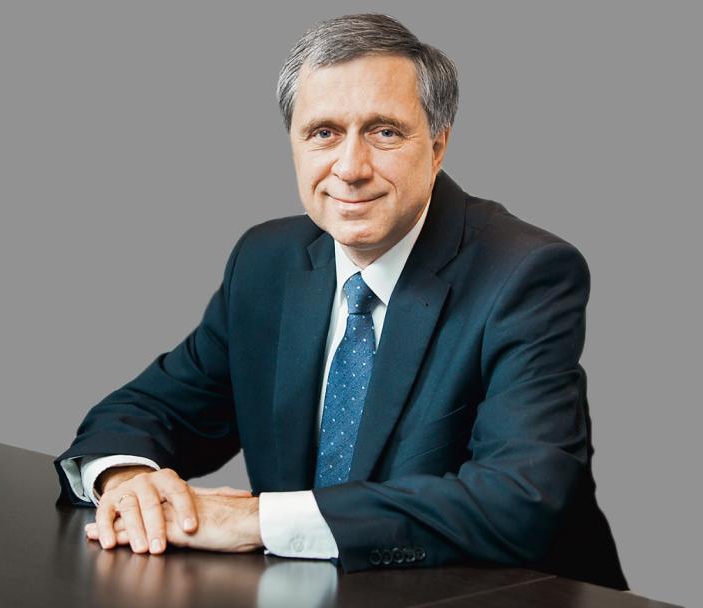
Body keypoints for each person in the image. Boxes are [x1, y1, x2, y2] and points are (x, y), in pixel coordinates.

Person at [55, 13, 627, 589]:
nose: (350, 169)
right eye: (324, 133)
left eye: (385, 132)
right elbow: (148, 410)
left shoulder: (524, 274)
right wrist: (129, 483)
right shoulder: (266, 261)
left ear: (438, 146)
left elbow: (523, 498)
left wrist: (255, 521)